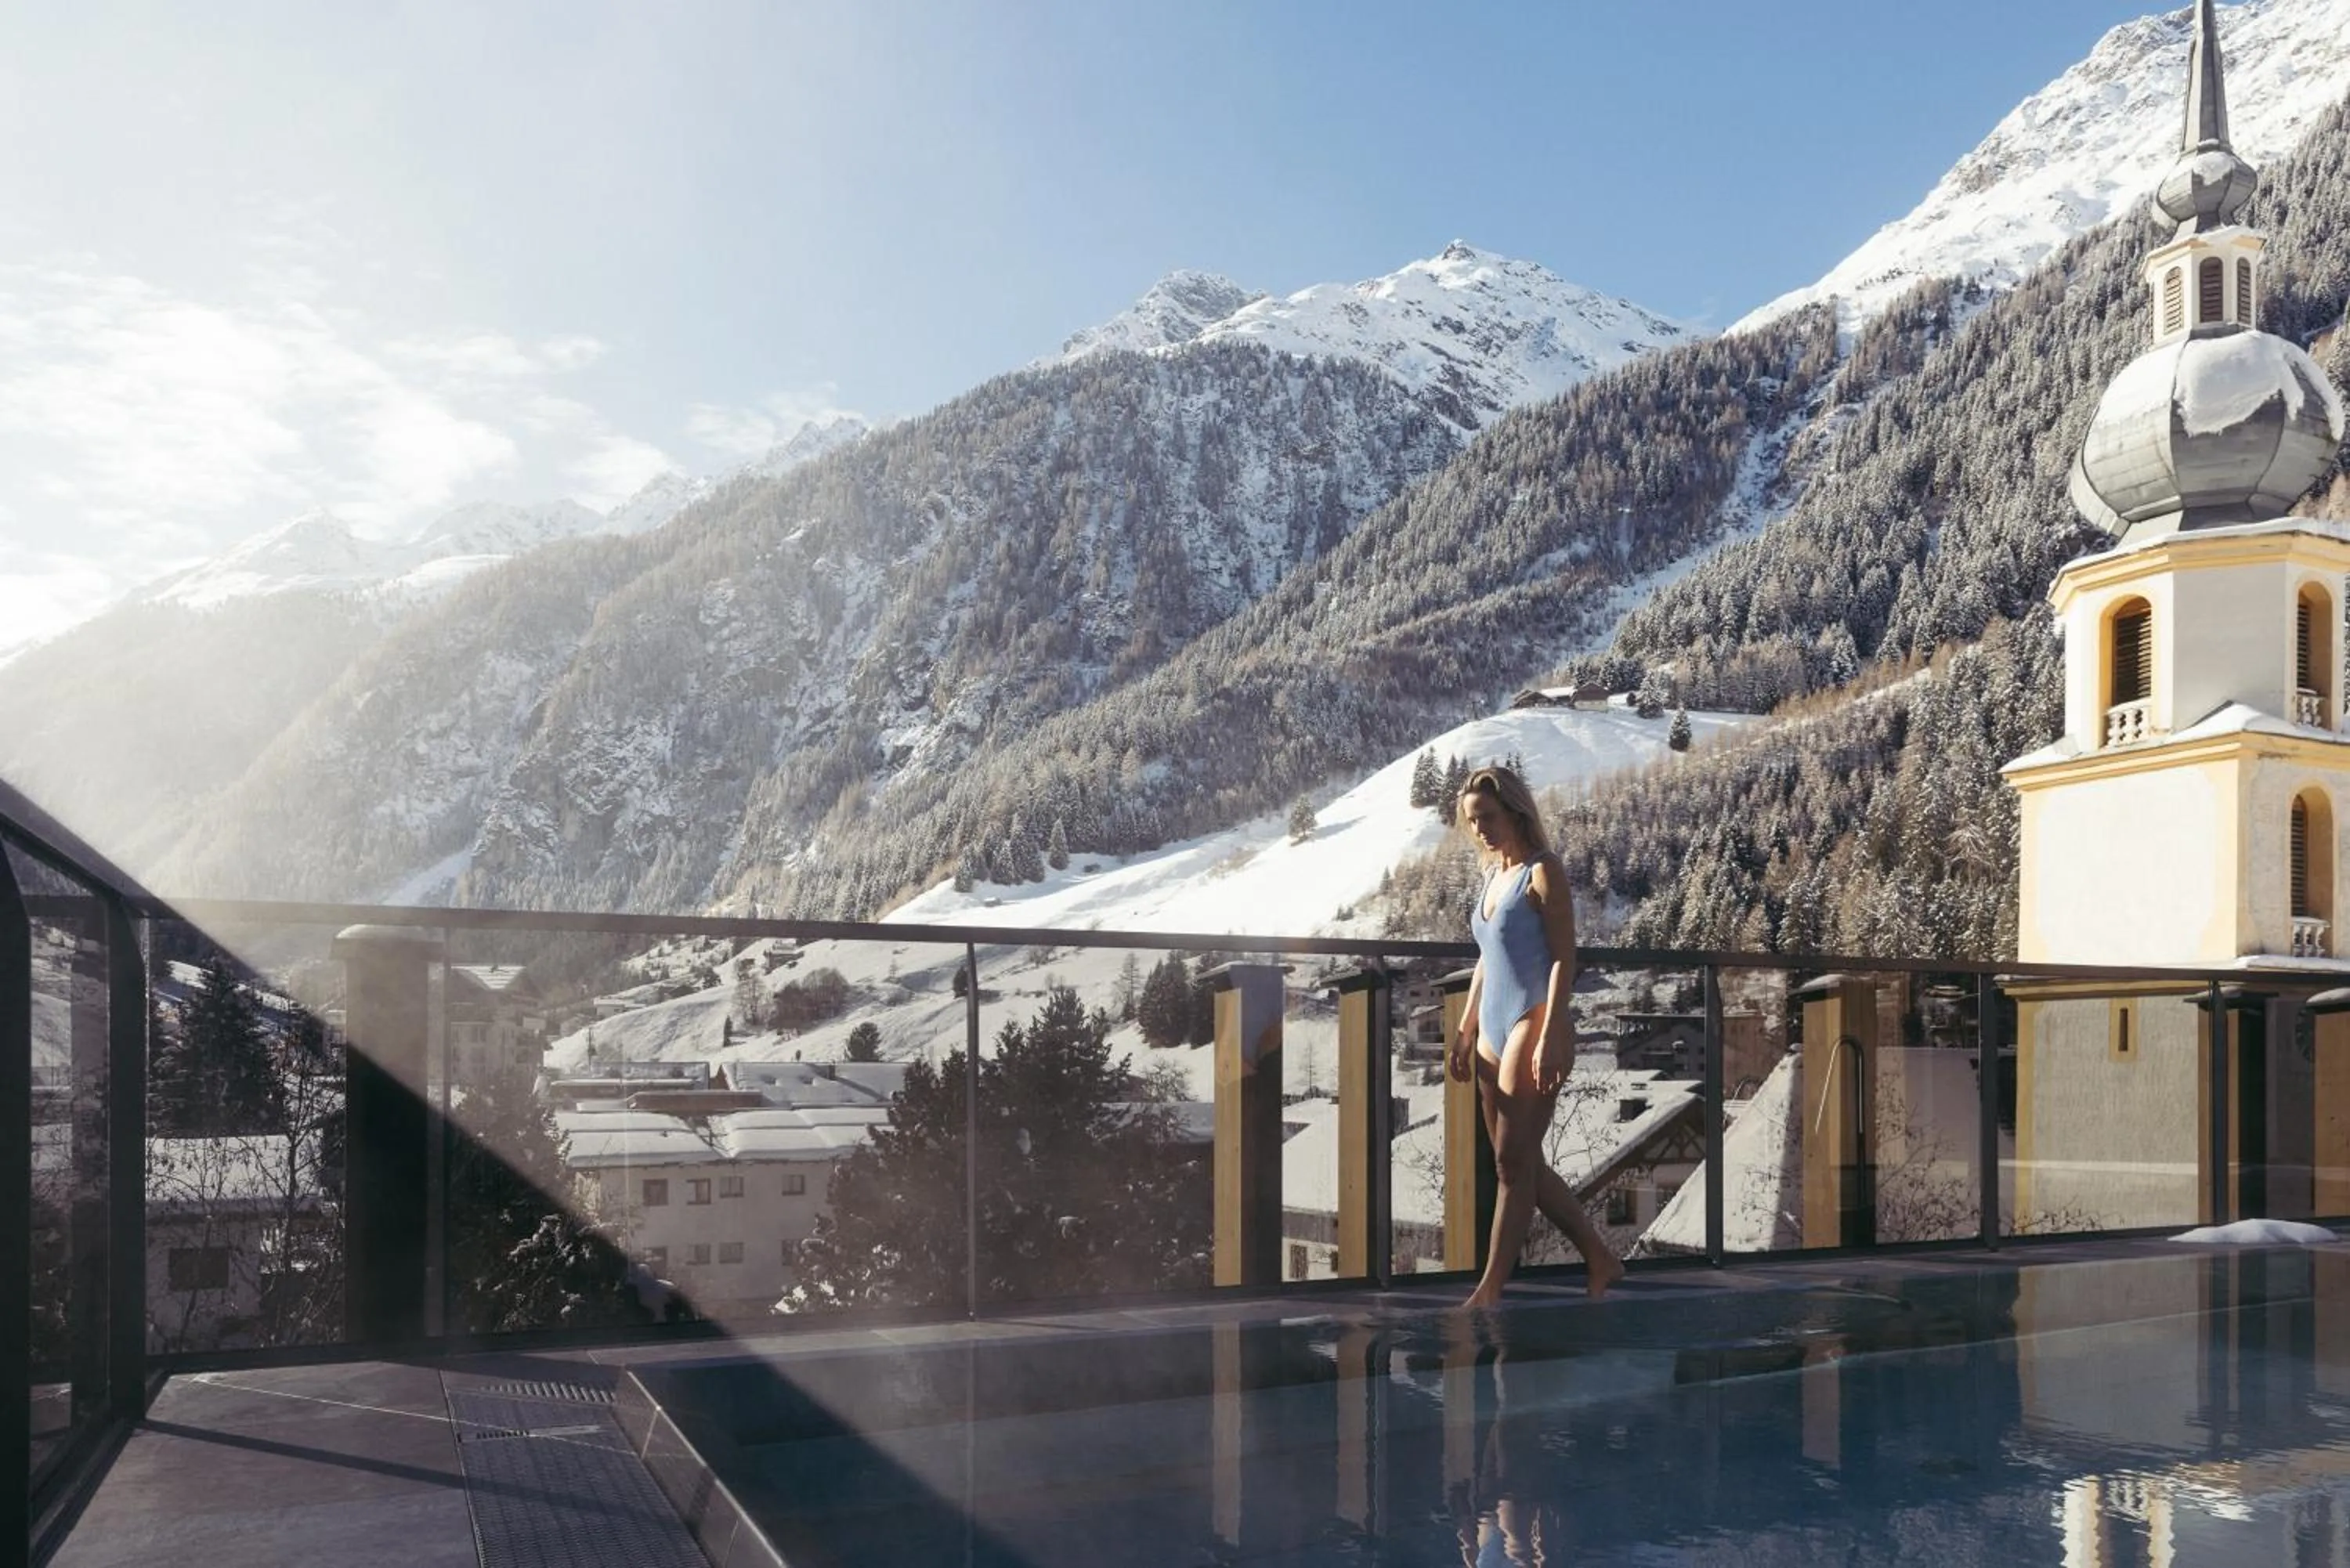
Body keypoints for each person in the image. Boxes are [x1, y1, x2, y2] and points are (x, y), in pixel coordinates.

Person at [1446, 764, 1623, 1308]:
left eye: (1489, 817)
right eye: (1472, 821)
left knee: (1510, 1161)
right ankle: (1599, 1255)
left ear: (1516, 811)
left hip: (1533, 1018)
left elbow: (1564, 957)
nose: (1480, 829)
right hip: (1491, 1027)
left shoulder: (1544, 871)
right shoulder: (1493, 874)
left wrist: (1551, 1031)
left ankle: (1490, 1289)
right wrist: (1464, 1026)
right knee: (1519, 1162)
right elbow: (1486, 958)